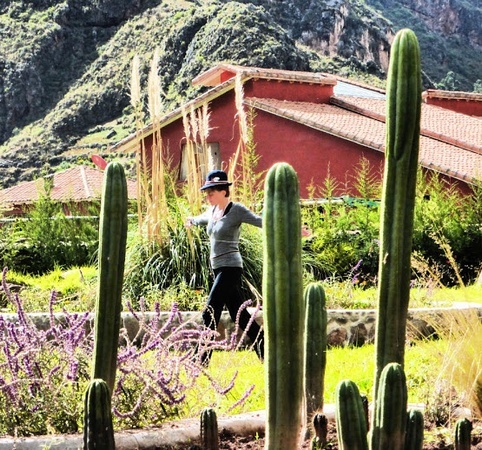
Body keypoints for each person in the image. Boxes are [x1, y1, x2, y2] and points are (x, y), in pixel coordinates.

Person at [185, 169, 264, 365]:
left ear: (223, 191)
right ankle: (267, 352)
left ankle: (200, 361)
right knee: (242, 316)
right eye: (207, 192)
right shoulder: (212, 212)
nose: (208, 196)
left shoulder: (236, 210)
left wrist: (296, 227)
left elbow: (261, 221)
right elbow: (200, 219)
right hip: (218, 269)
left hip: (230, 268)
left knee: (210, 311)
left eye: (212, 192)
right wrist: (191, 221)